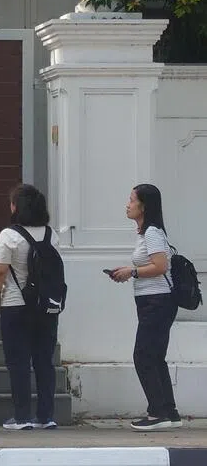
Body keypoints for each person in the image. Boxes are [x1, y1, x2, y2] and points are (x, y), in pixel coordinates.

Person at [108, 183, 183, 431]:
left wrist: (133, 272)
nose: (127, 205)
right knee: (154, 356)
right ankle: (169, 412)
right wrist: (129, 273)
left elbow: (160, 266)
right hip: (153, 301)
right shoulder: (146, 233)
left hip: (158, 301)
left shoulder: (152, 232)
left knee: (143, 356)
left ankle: (157, 413)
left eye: (131, 200)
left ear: (144, 205)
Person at [0, 184, 60, 430]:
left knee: (18, 362)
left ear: (16, 207)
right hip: (47, 307)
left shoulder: (9, 235)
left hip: (16, 305)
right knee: (44, 361)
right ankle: (46, 416)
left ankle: (21, 416)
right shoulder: (52, 235)